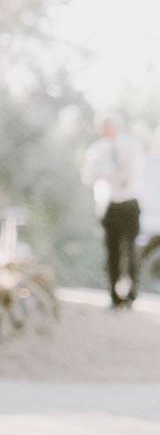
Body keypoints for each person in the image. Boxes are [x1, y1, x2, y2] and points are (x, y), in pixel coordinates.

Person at [83, 113, 146, 308]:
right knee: (112, 252)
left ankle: (132, 293)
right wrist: (110, 172)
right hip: (109, 204)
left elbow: (139, 170)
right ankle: (113, 295)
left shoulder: (132, 146)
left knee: (131, 250)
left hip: (130, 202)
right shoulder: (96, 150)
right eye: (105, 126)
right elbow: (88, 176)